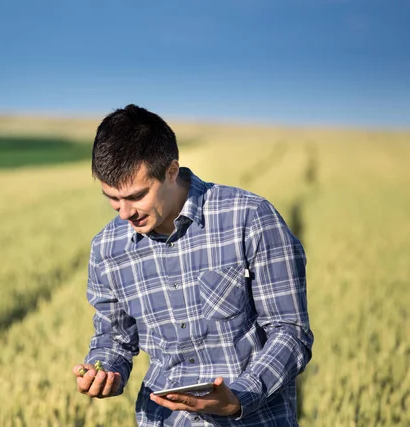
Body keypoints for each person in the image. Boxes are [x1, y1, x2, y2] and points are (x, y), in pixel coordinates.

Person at [72, 104, 313, 426]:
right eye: (112, 198)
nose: (124, 213)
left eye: (136, 196)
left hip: (254, 418)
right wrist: (104, 369)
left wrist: (239, 396)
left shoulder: (250, 219)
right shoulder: (107, 248)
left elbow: (290, 331)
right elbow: (114, 338)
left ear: (171, 171)